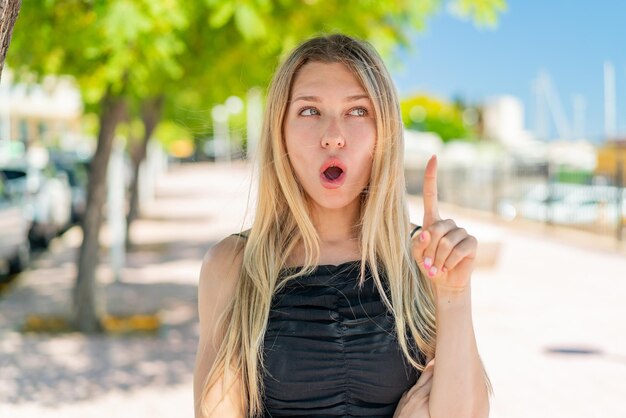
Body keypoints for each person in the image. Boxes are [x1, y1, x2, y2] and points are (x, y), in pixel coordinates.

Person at [194, 33, 491, 418]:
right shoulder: (233, 265)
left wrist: (454, 292)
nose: (333, 136)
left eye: (357, 112)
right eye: (309, 111)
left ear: (384, 133)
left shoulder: (424, 259)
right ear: (279, 132)